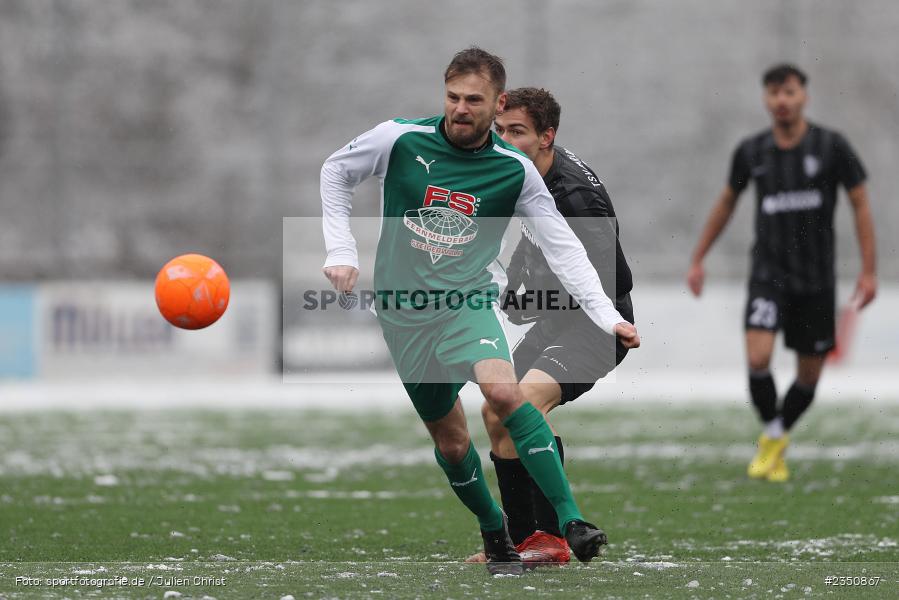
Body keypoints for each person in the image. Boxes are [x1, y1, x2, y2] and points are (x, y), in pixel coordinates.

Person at [320, 47, 640, 575]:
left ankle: (570, 521)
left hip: (468, 302)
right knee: (452, 442)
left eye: (474, 100)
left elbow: (566, 248)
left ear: (497, 103)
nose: (460, 108)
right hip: (404, 312)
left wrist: (608, 317)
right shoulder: (398, 138)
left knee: (503, 394)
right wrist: (340, 249)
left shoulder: (514, 170)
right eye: (453, 97)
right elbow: (335, 170)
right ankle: (497, 534)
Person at [462, 87, 636, 568]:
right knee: (496, 413)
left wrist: (535, 294)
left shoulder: (575, 199)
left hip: (599, 328)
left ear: (547, 136)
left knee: (522, 403)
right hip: (559, 321)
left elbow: (618, 282)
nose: (503, 140)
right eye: (500, 130)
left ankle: (553, 537)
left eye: (516, 132)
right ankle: (523, 542)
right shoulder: (527, 171)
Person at [686, 64, 877, 482]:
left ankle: (775, 435)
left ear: (803, 95)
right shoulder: (752, 151)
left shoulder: (832, 146)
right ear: (766, 99)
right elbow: (726, 203)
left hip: (816, 279)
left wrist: (869, 270)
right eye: (774, 93)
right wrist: (699, 257)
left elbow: (860, 203)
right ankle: (773, 436)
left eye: (789, 92)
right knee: (758, 358)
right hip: (768, 274)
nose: (782, 101)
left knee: (810, 372)